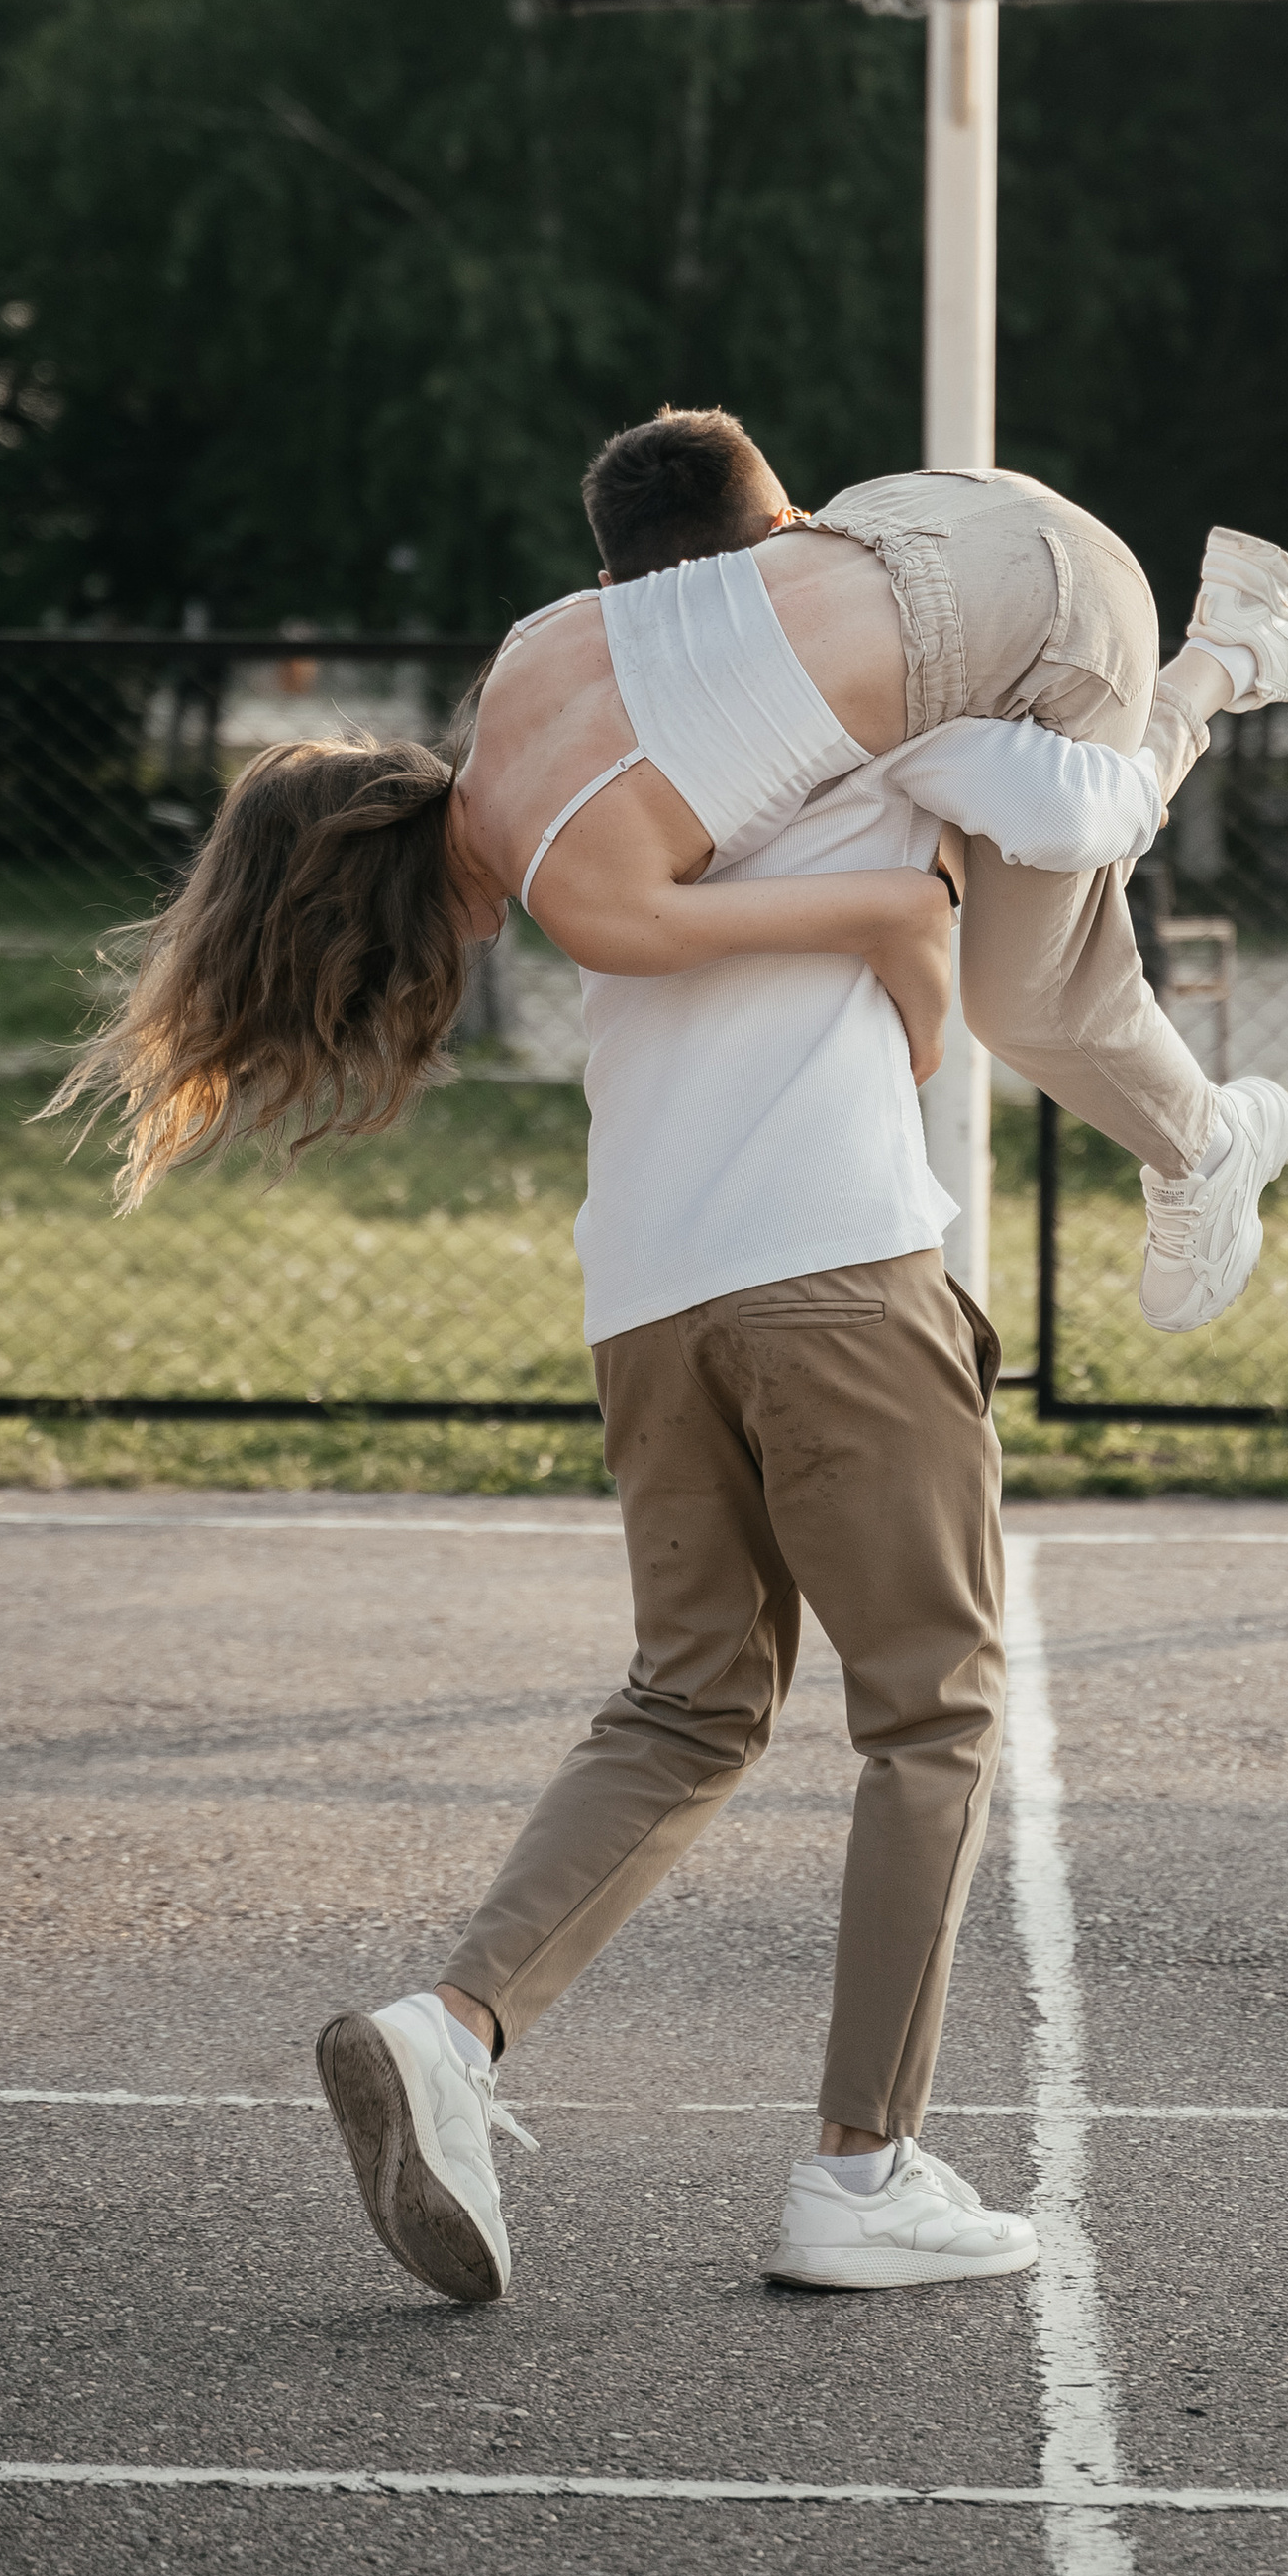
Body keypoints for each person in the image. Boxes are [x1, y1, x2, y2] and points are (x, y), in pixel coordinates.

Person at [316, 669, 1121, 2303]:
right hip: (832, 1276)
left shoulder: (586, 795)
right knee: (930, 1715)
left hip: (648, 1299)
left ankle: (451, 2027)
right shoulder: (847, 703)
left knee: (687, 1702)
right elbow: (969, 951)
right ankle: (860, 2175)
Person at [51, 412, 1288, 1335]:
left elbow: (907, 910)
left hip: (1054, 621)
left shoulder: (590, 907)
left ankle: (1209, 1143)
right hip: (930, 504)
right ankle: (1229, 654)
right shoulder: (521, 661)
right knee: (942, 775)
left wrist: (908, 1044)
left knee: (1031, 991)